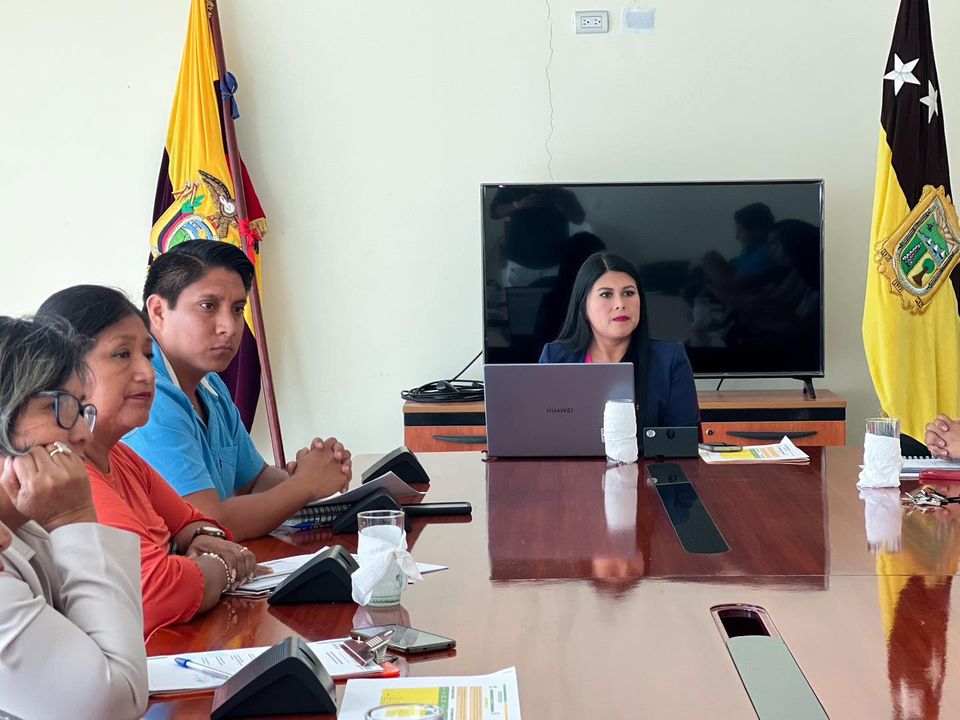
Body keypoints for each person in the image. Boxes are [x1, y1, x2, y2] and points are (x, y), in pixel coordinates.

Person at [37, 285, 259, 637]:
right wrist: (222, 565)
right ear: (64, 370)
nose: (147, 371)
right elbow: (158, 593)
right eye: (122, 354)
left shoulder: (118, 454)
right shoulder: (68, 472)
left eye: (148, 354)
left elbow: (196, 521)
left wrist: (201, 541)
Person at [123, 240, 351, 541]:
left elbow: (254, 481)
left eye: (237, 309)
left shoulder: (211, 384)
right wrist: (305, 485)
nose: (229, 328)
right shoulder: (147, 395)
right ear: (158, 311)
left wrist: (315, 473)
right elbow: (207, 522)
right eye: (208, 306)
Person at [0, 317, 148, 719]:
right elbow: (113, 702)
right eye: (59, 407)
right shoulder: (53, 518)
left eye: (82, 410)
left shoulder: (28, 527)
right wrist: (74, 519)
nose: (84, 433)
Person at [539, 251, 699, 428]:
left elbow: (684, 438)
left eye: (629, 293)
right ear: (583, 306)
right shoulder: (555, 358)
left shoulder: (670, 359)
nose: (620, 304)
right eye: (606, 295)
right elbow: (542, 432)